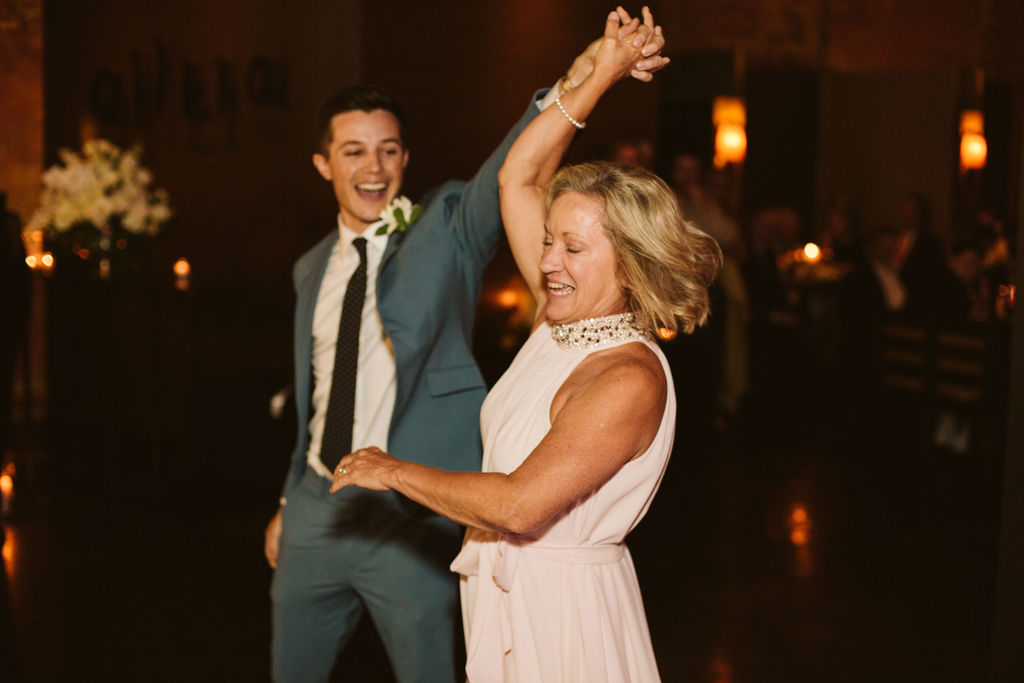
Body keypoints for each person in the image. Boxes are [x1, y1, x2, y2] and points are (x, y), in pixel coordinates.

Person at [264, 8, 667, 683]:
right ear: (321, 163)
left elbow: (515, 171)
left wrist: (586, 73)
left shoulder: (446, 227)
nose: (373, 167)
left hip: (414, 517)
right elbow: (316, 392)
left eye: (389, 149)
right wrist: (286, 503)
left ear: (407, 159)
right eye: (354, 151)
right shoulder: (310, 266)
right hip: (315, 502)